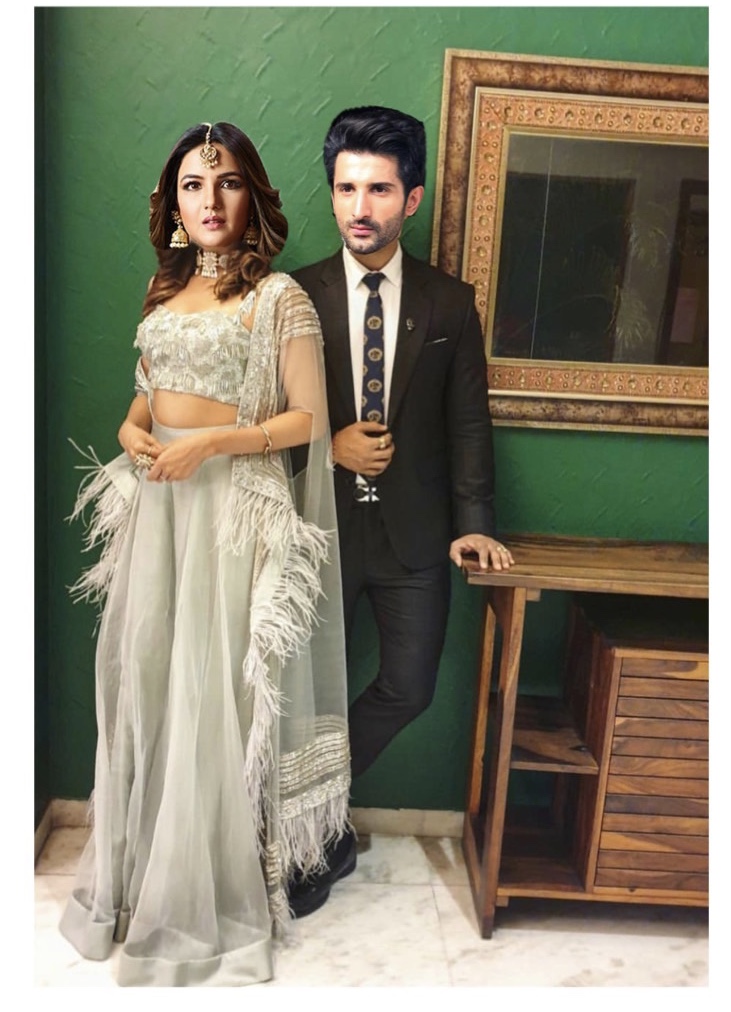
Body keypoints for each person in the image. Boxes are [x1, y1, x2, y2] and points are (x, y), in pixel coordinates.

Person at [59, 122, 351, 987]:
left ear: (252, 196)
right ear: (173, 205)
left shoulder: (279, 299)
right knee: (148, 679)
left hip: (230, 513)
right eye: (192, 184)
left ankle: (203, 898)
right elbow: (144, 402)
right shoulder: (164, 294)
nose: (210, 199)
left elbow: (307, 421)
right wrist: (130, 433)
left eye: (226, 182)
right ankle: (138, 881)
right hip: (161, 510)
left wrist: (213, 445)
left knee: (212, 694)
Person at [288, 105, 515, 916]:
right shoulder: (294, 296)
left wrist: (474, 520)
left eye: (378, 189)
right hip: (315, 532)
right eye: (346, 188)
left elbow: (467, 422)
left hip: (416, 537)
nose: (359, 207)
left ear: (410, 199)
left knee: (409, 686)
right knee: (302, 694)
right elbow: (262, 415)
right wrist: (330, 446)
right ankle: (308, 838)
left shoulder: (450, 304)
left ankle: (309, 806)